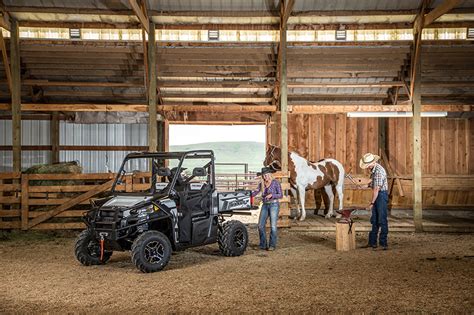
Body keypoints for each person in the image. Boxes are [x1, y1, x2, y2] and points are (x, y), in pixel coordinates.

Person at [360, 153, 389, 250]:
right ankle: (372, 242)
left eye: (368, 165)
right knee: (374, 219)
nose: (367, 167)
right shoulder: (373, 170)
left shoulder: (379, 171)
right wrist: (366, 186)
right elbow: (374, 183)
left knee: (382, 219)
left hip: (381, 195)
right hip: (378, 194)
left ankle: (383, 243)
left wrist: (371, 203)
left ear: (373, 162)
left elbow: (376, 189)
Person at [252, 167, 283, 251]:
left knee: (273, 226)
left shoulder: (275, 183)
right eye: (263, 176)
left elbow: (280, 195)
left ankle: (272, 245)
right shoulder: (261, 184)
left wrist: (272, 195)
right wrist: (248, 194)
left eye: (266, 175)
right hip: (265, 205)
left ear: (269, 174)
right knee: (260, 225)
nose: (265, 177)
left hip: (274, 205)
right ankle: (263, 244)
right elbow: (255, 192)